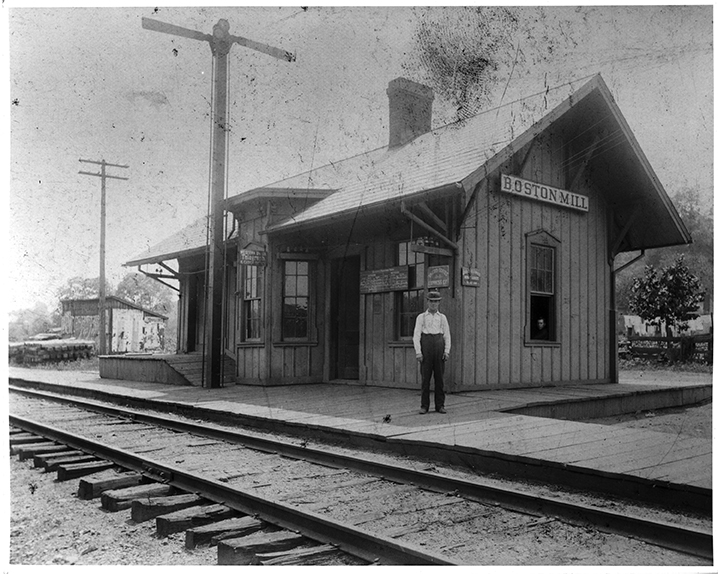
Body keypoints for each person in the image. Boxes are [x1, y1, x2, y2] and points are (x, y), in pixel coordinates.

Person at [413, 290, 451, 414]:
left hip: (439, 348)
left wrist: (446, 351)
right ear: (427, 302)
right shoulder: (421, 317)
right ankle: (424, 406)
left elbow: (447, 336)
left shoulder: (442, 318)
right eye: (431, 301)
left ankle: (440, 405)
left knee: (439, 379)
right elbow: (416, 335)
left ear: (439, 302)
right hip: (426, 348)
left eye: (436, 301)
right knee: (425, 379)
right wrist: (418, 352)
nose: (433, 304)